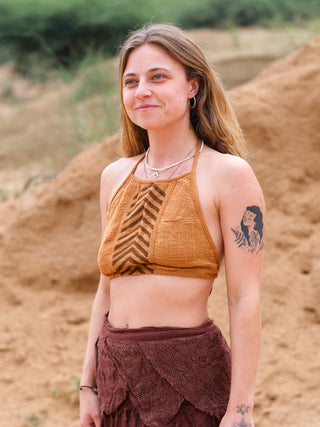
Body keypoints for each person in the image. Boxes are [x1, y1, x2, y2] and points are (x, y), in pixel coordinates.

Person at [79, 23, 265, 427]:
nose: (141, 90)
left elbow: (244, 298)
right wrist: (88, 387)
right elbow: (106, 288)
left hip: (189, 384)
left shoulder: (230, 174)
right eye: (131, 81)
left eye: (158, 77)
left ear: (193, 86)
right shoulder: (114, 176)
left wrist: (241, 409)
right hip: (117, 384)